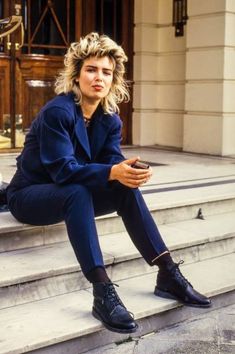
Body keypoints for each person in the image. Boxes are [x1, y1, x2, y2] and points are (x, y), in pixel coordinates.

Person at [7, 32, 211, 334]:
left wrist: (129, 172)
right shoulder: (57, 112)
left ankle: (167, 273)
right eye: (91, 69)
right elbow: (64, 171)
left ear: (113, 79)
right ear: (76, 76)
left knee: (123, 187)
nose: (98, 77)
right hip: (28, 196)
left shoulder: (110, 119)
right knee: (76, 190)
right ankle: (102, 292)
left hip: (71, 193)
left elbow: (111, 165)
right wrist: (111, 172)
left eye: (106, 71)